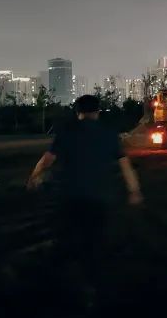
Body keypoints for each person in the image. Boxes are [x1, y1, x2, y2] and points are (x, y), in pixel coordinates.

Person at [27, 95, 142, 290]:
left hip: (69, 197)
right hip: (100, 198)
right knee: (96, 242)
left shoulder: (66, 132)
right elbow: (125, 166)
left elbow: (46, 160)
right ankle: (96, 285)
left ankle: (63, 285)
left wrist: (34, 177)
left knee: (68, 241)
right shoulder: (109, 134)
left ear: (77, 112)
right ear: (98, 111)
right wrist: (134, 190)